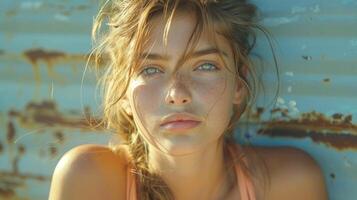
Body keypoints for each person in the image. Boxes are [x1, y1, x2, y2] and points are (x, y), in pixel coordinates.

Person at [48, 0, 328, 199]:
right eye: (151, 69)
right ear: (123, 94)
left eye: (205, 65)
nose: (177, 95)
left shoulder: (290, 185)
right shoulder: (90, 182)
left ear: (239, 84)